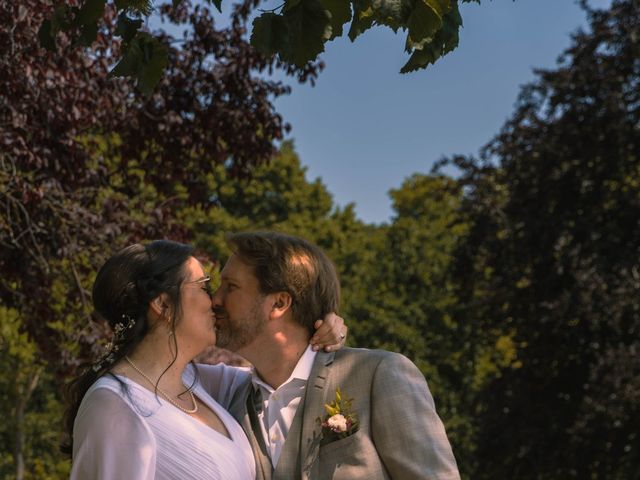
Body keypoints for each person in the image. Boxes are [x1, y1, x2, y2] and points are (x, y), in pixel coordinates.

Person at [63, 240, 346, 479]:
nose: (214, 301)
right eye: (203, 286)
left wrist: (320, 329)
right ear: (163, 304)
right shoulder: (114, 405)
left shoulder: (198, 383)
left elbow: (283, 371)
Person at [210, 231, 461, 480]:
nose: (215, 299)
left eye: (230, 287)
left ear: (279, 304)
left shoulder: (379, 374)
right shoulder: (226, 398)